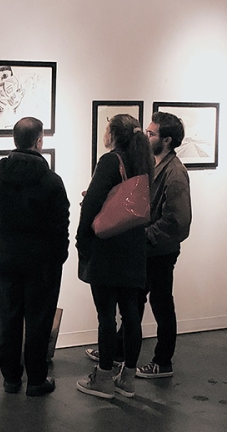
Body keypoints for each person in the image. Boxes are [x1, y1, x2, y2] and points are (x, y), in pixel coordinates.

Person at [84, 112, 192, 379]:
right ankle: (117, 350)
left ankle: (162, 362)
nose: (146, 136)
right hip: (147, 250)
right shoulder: (150, 164)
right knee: (134, 304)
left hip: (160, 252)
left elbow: (178, 222)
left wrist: (145, 236)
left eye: (152, 133)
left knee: (161, 304)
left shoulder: (175, 173)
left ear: (167, 140)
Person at [0, 117, 70, 397]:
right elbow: (59, 225)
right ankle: (37, 378)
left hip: (5, 254)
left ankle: (11, 378)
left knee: (8, 316)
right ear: (39, 141)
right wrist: (59, 256)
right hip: (42, 258)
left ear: (15, 140)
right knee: (39, 319)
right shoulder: (51, 181)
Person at [76, 114, 154, 399]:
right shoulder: (143, 161)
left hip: (108, 246)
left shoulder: (110, 161)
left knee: (106, 315)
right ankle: (128, 379)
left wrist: (80, 239)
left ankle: (104, 377)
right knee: (131, 313)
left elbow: (93, 204)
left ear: (113, 134)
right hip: (134, 246)